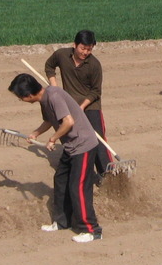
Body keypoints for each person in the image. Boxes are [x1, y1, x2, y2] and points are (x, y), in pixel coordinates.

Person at [8, 73, 102, 243]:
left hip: (83, 145)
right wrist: (36, 133)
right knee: (61, 181)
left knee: (78, 187)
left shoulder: (54, 96)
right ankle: (61, 222)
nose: (21, 100)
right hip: (71, 146)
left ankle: (92, 230)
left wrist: (53, 139)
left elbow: (68, 122)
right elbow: (50, 120)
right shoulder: (44, 99)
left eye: (20, 98)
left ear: (28, 95)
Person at [44, 30, 111, 179]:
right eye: (83, 48)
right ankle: (78, 168)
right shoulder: (61, 55)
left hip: (90, 105)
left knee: (97, 140)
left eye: (89, 49)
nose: (85, 52)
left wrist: (81, 108)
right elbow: (49, 66)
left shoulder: (94, 65)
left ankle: (107, 175)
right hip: (70, 104)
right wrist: (54, 87)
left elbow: (95, 92)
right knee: (74, 138)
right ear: (74, 45)